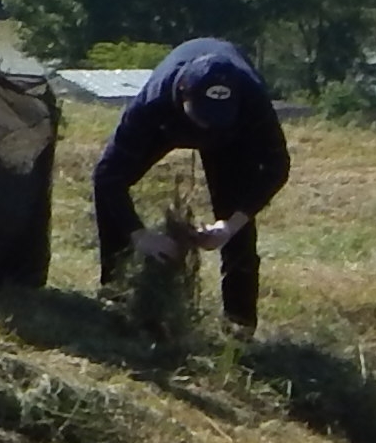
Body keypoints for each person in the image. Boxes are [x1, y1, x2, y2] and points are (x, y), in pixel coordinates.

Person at [92, 35, 288, 334]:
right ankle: (116, 297)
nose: (207, 125)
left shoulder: (251, 99)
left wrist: (230, 225)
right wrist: (139, 234)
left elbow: (277, 167)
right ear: (183, 94)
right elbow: (107, 176)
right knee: (111, 192)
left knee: (238, 228)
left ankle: (239, 326)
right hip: (167, 126)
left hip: (231, 139)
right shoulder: (153, 103)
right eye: (203, 116)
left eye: (217, 117)